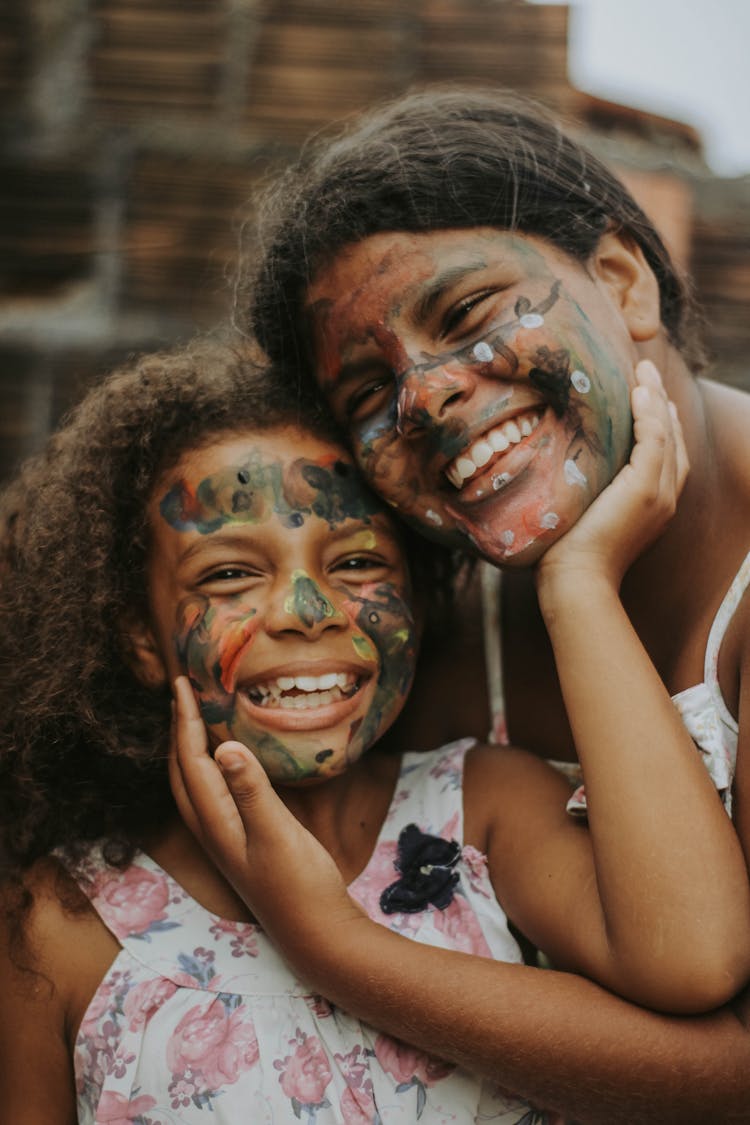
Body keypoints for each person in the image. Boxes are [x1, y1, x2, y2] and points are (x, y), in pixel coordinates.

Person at [0, 341, 746, 1124]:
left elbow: (706, 998)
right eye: (228, 573)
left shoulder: (485, 811)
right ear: (142, 638)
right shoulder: (57, 926)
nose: (304, 609)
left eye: (356, 561)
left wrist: (580, 579)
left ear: (418, 602)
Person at [237, 86, 750, 1121]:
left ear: (622, 279)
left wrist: (336, 949)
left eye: (468, 314)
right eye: (366, 395)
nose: (422, 399)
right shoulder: (444, 649)